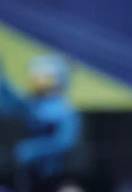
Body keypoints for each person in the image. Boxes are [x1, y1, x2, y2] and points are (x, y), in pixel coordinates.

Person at [0, 54, 81, 192]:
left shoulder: (64, 111)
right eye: (36, 77)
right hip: (27, 174)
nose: (39, 81)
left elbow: (64, 141)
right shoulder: (33, 105)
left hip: (56, 176)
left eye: (44, 77)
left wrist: (34, 149)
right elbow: (11, 101)